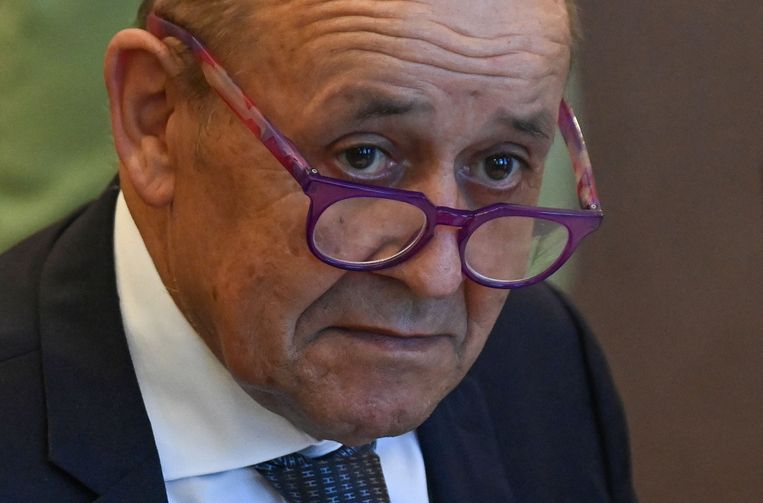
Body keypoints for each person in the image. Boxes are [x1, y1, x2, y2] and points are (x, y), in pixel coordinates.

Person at [0, 0, 636, 501]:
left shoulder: (543, 365)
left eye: (500, 165)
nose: (438, 276)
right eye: (364, 157)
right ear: (156, 120)